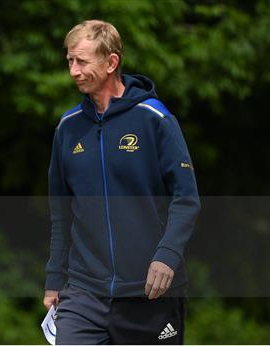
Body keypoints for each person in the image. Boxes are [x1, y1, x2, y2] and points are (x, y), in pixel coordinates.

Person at [43, 20, 200, 344]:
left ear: (111, 62)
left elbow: (186, 198)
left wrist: (167, 255)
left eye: (82, 61)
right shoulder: (68, 128)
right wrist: (54, 277)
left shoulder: (154, 118)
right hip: (83, 294)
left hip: (149, 292)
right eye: (70, 60)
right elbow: (60, 213)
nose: (73, 70)